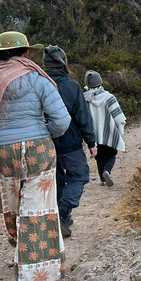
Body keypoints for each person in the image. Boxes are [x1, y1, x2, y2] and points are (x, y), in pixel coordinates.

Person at [0, 31, 70, 281]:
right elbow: (61, 120)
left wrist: (1, 138)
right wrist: (42, 131)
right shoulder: (38, 78)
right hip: (38, 149)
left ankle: (20, 253)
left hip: (3, 153)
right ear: (25, 52)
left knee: (13, 208)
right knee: (37, 210)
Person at [42, 45, 96, 237]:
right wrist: (91, 142)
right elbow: (83, 117)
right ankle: (63, 212)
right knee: (80, 176)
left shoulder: (39, 84)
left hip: (45, 145)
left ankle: (61, 218)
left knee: (56, 180)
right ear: (64, 63)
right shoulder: (71, 86)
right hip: (70, 143)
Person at [83, 71, 126, 187]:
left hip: (93, 135)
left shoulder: (85, 99)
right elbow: (118, 116)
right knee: (111, 154)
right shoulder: (109, 97)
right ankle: (107, 171)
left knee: (99, 156)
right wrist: (120, 129)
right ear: (100, 82)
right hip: (109, 132)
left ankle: (102, 179)